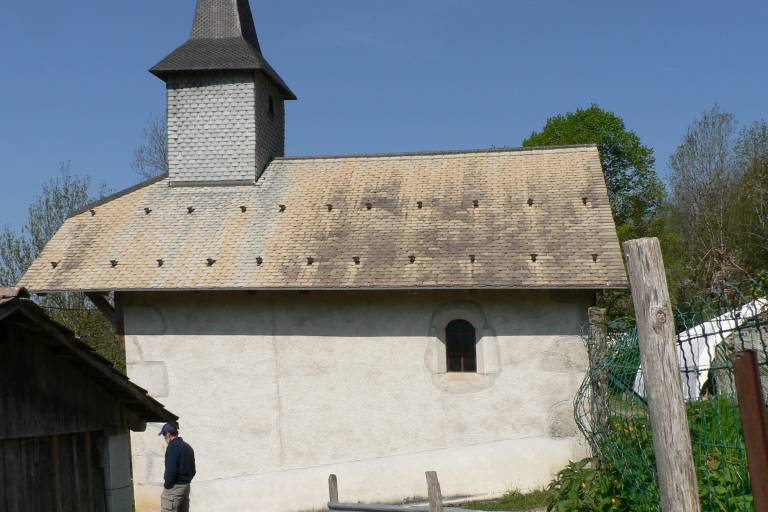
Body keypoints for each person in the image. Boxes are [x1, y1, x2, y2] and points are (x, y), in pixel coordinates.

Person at [159, 423, 196, 512]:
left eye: (164, 434)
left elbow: (171, 471)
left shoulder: (172, 447)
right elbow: (193, 470)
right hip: (186, 487)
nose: (164, 437)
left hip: (174, 488)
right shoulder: (188, 447)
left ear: (168, 434)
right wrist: (186, 481)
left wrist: (167, 485)